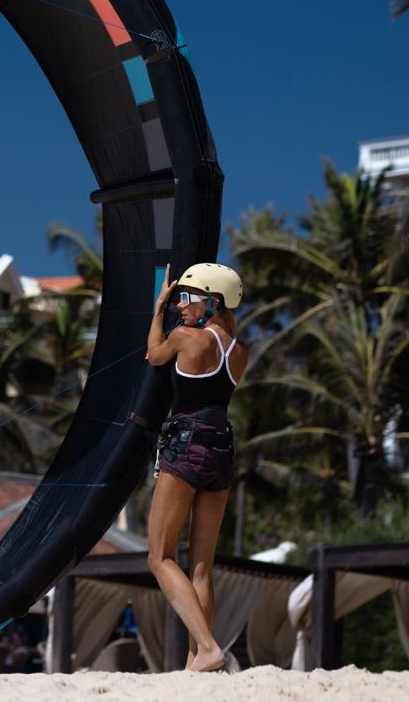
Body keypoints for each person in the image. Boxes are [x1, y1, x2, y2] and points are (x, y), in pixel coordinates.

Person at [144, 262, 248, 672]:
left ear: (213, 302)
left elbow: (154, 355)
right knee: (202, 567)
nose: (180, 306)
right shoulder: (240, 351)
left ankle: (206, 648)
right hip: (221, 448)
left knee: (160, 557)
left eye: (188, 298)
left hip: (187, 445)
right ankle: (196, 662)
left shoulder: (185, 338)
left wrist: (157, 310)